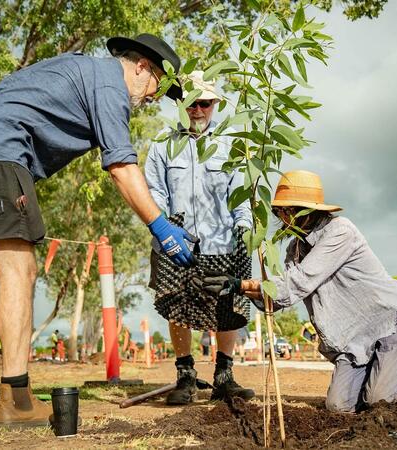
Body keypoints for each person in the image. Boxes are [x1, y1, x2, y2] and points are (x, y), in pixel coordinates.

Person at [0, 34, 196, 430]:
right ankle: (16, 399)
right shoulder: (110, 84)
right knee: (20, 273)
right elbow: (121, 166)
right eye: (158, 84)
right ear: (141, 66)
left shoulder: (82, 69)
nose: (154, 97)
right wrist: (160, 226)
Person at [197, 170, 397, 413]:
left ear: (308, 210)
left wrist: (240, 284)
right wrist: (236, 290)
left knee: (380, 400)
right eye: (280, 212)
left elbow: (298, 282)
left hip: (391, 323)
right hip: (354, 342)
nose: (284, 217)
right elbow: (277, 300)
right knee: (339, 407)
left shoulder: (340, 231)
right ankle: (385, 374)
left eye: (289, 210)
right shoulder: (294, 250)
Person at [145, 71, 254, 405]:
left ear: (214, 105)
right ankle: (185, 376)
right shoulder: (163, 143)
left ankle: (224, 377)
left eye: (204, 103)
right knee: (177, 302)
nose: (197, 110)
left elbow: (241, 195)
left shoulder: (231, 145)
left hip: (222, 241)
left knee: (227, 305)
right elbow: (153, 191)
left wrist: (246, 232)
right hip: (175, 242)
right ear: (181, 103)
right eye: (191, 102)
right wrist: (163, 230)